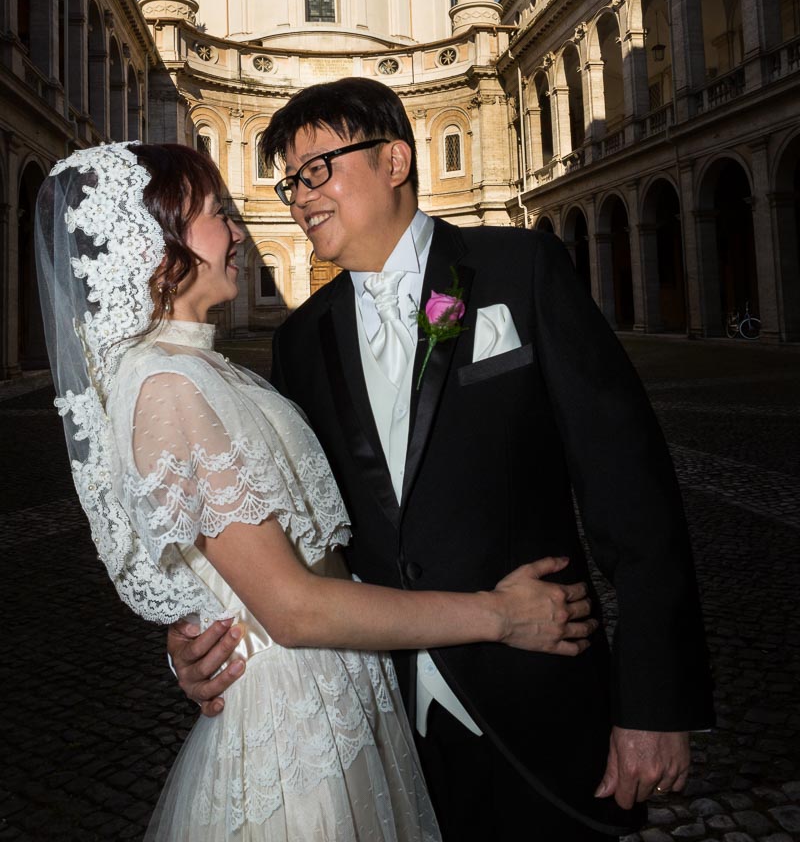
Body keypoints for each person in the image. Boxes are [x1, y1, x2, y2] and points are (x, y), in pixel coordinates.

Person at [170, 78, 714, 841]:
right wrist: (203, 642)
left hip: (541, 697)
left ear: (395, 160)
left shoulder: (520, 269)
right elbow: (290, 536)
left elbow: (632, 492)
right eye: (290, 181)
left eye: (317, 169)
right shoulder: (301, 340)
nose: (299, 196)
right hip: (376, 719)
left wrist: (656, 704)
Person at [36, 140, 598, 842]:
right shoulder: (166, 387)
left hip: (349, 691)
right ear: (158, 245)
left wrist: (210, 620)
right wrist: (500, 615)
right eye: (218, 216)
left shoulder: (213, 372)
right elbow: (292, 608)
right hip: (297, 714)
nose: (240, 232)